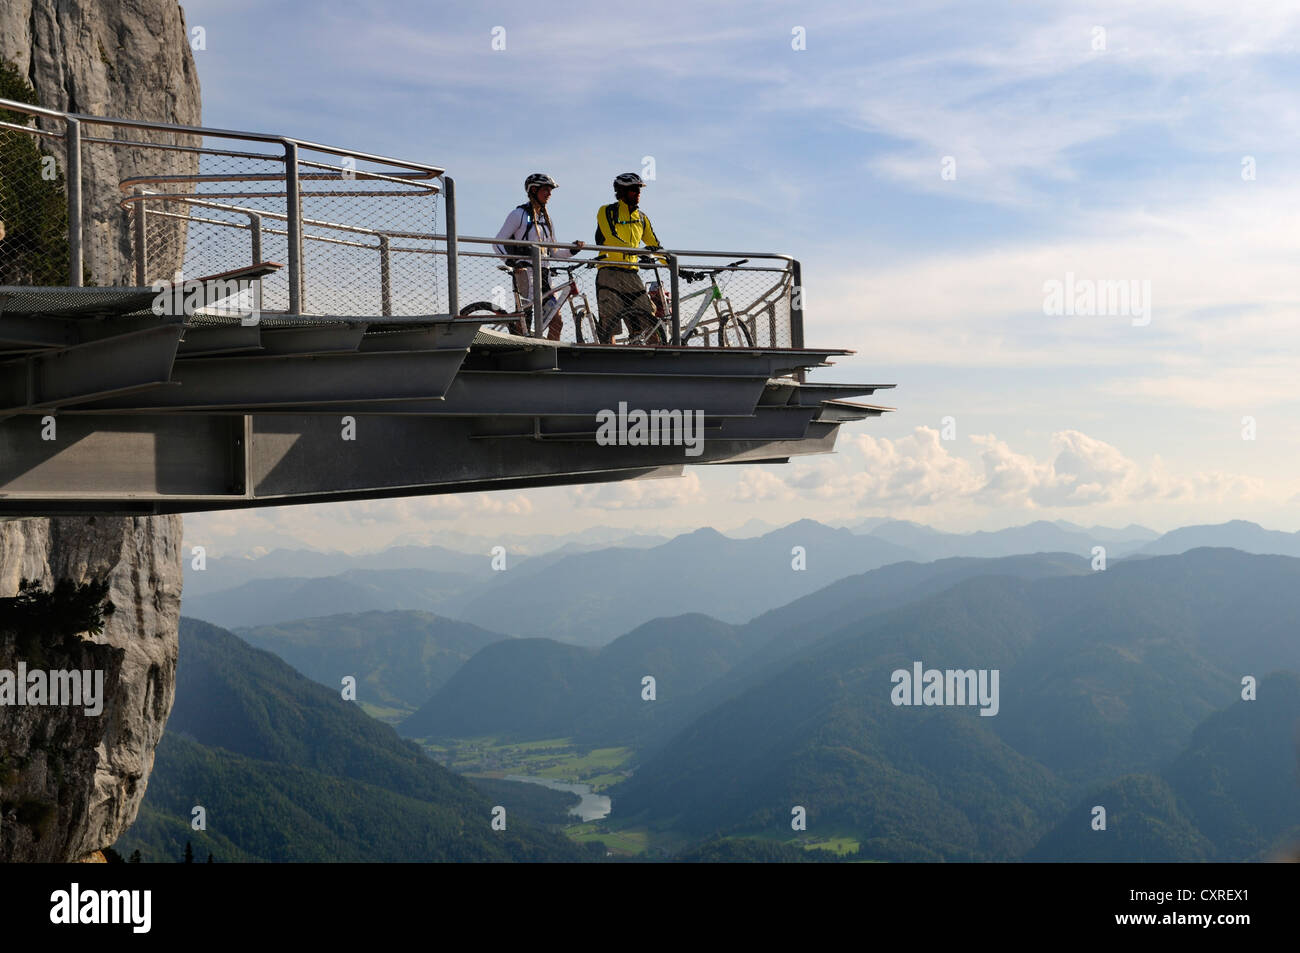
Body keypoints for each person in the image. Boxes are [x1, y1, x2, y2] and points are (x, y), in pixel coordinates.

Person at [493, 173, 585, 338]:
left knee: (556, 322)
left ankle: (550, 353)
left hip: (544, 275)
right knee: (525, 322)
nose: (549, 194)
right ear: (533, 190)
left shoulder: (546, 219)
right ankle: (521, 353)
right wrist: (512, 263)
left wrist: (573, 249)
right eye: (546, 190)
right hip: (525, 273)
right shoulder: (519, 214)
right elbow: (497, 242)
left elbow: (554, 253)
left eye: (550, 190)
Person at [593, 172, 666, 344]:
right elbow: (610, 238)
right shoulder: (607, 211)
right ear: (621, 192)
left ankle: (656, 359)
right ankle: (609, 360)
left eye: (639, 189)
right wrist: (640, 252)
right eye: (634, 190)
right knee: (610, 322)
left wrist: (673, 264)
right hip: (609, 272)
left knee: (649, 319)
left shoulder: (641, 217)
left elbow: (654, 244)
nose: (638, 193)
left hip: (632, 274)